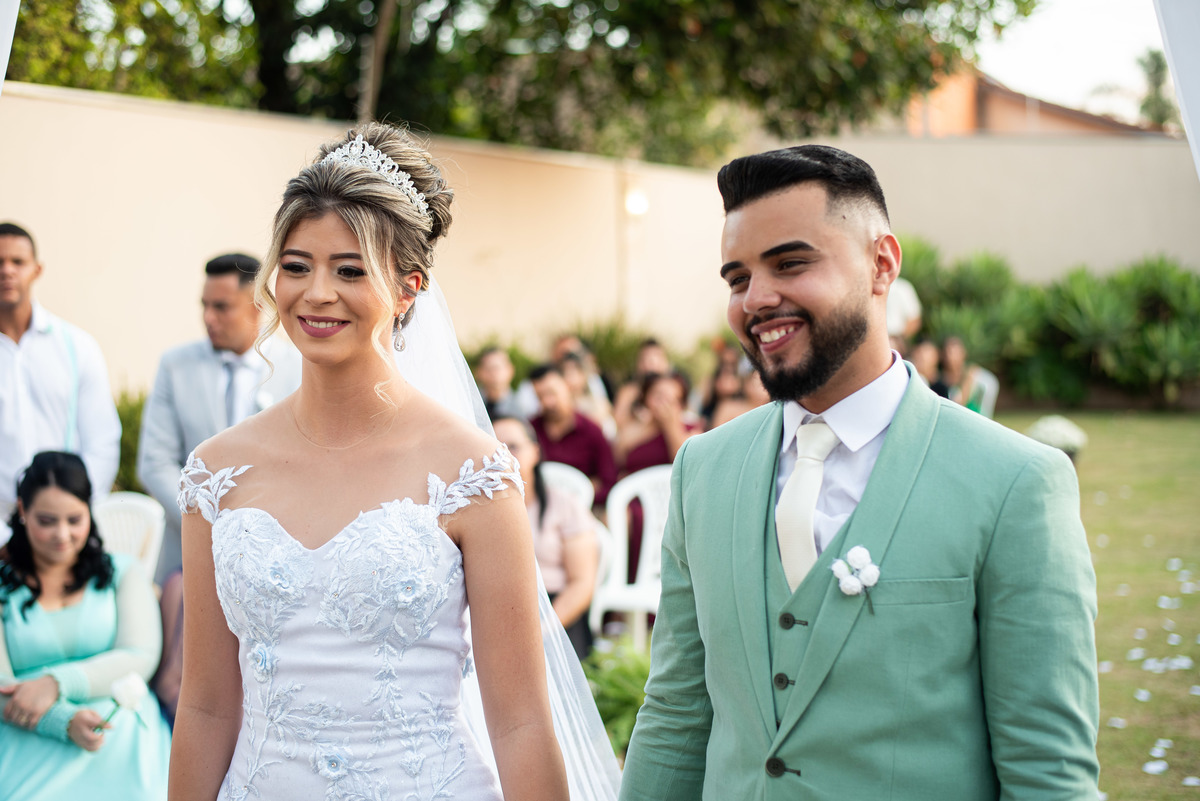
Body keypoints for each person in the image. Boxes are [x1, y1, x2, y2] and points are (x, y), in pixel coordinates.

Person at [620, 145, 1098, 800]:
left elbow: (1047, 770)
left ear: (882, 264)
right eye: (737, 278)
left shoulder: (1016, 482)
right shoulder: (701, 470)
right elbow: (676, 715)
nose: (757, 298)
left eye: (790, 263)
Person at [170, 123, 618, 801]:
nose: (317, 293)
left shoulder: (473, 471)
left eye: (350, 270)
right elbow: (205, 704)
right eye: (296, 265)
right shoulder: (216, 472)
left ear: (409, 288)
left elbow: (521, 722)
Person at [0, 451, 171, 800]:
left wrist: (56, 683)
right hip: (25, 734)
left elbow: (139, 655)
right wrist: (62, 721)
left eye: (75, 519)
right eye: (47, 521)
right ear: (22, 510)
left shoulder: (123, 572)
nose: (62, 535)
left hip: (119, 735)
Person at [138, 253, 302, 586]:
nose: (208, 318)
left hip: (275, 557)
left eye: (221, 307)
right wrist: (207, 522)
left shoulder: (299, 368)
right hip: (187, 558)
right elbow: (154, 463)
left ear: (257, 305)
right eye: (204, 305)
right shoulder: (175, 366)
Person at [0, 223, 120, 545]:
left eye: (17, 262)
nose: (7, 270)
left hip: (64, 538)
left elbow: (102, 442)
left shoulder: (77, 347)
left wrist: (69, 518)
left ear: (36, 270)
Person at [493, 416, 599, 659]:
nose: (504, 456)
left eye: (513, 446)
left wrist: (543, 630)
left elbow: (582, 583)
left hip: (556, 613)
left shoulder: (565, 505)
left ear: (535, 452)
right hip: (499, 612)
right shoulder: (478, 510)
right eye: (496, 448)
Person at [530, 363, 618, 506]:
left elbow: (608, 481)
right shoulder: (529, 430)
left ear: (567, 387)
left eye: (551, 393)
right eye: (540, 397)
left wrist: (582, 492)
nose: (547, 402)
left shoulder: (592, 431)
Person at [612, 338, 671, 429]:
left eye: (654, 360)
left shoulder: (672, 392)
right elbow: (617, 421)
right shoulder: (629, 392)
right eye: (644, 359)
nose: (649, 365)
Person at [474, 345, 524, 420]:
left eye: (497, 368)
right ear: (479, 372)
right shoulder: (470, 403)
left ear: (511, 370)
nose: (493, 373)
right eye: (488, 368)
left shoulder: (522, 408)